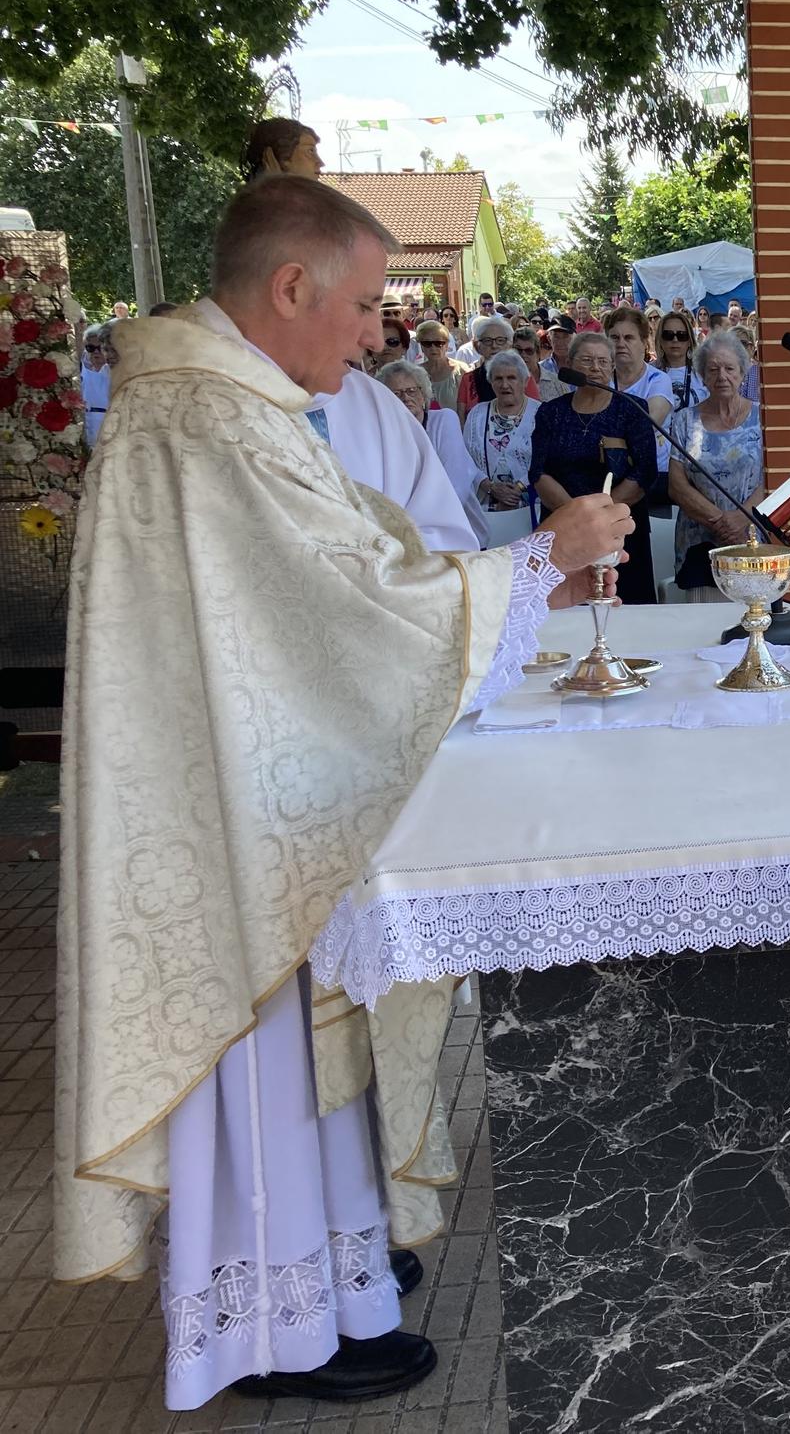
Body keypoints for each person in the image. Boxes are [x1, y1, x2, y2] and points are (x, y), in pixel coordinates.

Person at [57, 173, 632, 1413]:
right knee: (260, 1073)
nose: (381, 333)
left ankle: (322, 1293)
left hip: (259, 798)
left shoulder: (225, 404)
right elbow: (358, 617)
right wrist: (545, 555)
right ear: (290, 287)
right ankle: (267, 1335)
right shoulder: (207, 420)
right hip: (232, 830)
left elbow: (371, 567)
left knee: (300, 1073)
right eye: (367, 305)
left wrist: (524, 584)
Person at [531, 331, 658, 605]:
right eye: (587, 361)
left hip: (620, 529)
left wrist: (601, 517)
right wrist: (577, 518)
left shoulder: (633, 409)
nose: (595, 368)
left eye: (603, 361)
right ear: (571, 365)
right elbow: (538, 472)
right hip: (562, 529)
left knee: (627, 610)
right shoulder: (551, 412)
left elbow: (645, 472)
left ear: (612, 366)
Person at [664, 330, 765, 600]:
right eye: (713, 369)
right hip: (700, 543)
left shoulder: (763, 417)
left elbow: (773, 478)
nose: (722, 376)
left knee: (755, 622)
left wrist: (741, 519)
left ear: (742, 372)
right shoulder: (685, 419)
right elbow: (676, 485)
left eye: (730, 368)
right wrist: (720, 522)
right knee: (703, 628)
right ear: (703, 376)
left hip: (751, 538)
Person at [373, 360, 487, 547]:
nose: (405, 398)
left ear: (423, 394)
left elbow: (457, 484)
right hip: (407, 540)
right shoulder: (383, 434)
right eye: (396, 393)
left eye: (412, 390)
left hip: (459, 534)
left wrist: (418, 528)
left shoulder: (444, 420)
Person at [460, 349, 541, 533]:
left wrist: (517, 488)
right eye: (498, 379)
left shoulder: (542, 414)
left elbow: (548, 460)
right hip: (487, 512)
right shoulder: (477, 414)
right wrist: (489, 487)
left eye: (512, 378)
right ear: (491, 382)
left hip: (531, 511)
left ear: (525, 381)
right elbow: (465, 460)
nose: (505, 385)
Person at [604, 305, 672, 424]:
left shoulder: (658, 380)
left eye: (628, 338)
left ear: (644, 342)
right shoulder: (600, 380)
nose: (621, 344)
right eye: (614, 337)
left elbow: (645, 427)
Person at [650, 308, 706, 416]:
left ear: (689, 340)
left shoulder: (704, 373)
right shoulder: (648, 373)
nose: (675, 340)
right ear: (660, 340)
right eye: (668, 335)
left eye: (681, 335)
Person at [415, 321, 465, 408]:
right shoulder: (414, 374)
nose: (433, 348)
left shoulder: (461, 371)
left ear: (447, 345)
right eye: (427, 343)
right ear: (421, 346)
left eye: (438, 343)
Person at [80, 323, 110, 445]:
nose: (96, 352)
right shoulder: (79, 371)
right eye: (91, 348)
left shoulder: (118, 371)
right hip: (84, 426)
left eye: (100, 348)